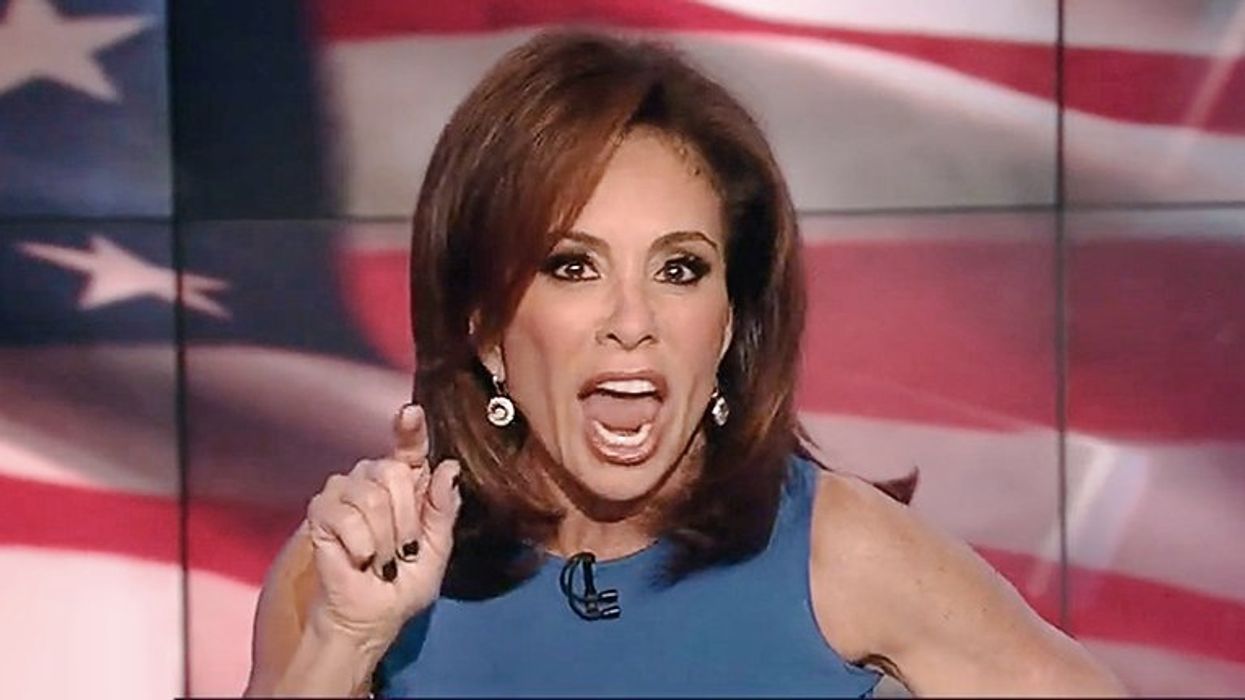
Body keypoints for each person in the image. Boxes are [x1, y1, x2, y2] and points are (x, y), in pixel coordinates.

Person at [243, 31, 1126, 698]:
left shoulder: (839, 549)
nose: (633, 323)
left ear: (729, 319)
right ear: (483, 324)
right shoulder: (344, 572)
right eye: (572, 266)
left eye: (679, 269)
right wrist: (345, 640)